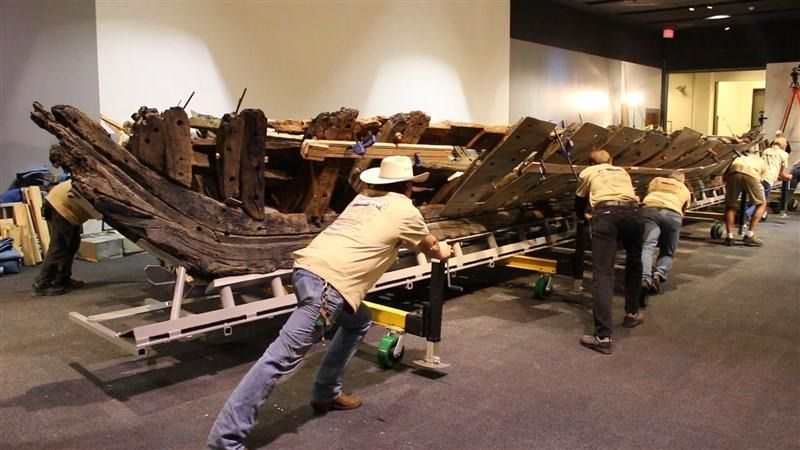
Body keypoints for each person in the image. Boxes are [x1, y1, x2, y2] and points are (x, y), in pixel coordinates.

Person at [207, 156, 453, 450]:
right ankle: (225, 441)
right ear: (409, 186)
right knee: (276, 360)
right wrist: (445, 250)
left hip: (307, 273)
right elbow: (433, 248)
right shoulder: (404, 209)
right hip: (328, 288)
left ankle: (326, 391)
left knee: (358, 320)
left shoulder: (363, 198)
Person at [574, 150, 644, 355]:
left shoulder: (587, 172)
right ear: (611, 161)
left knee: (603, 274)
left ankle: (603, 337)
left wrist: (583, 215)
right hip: (634, 213)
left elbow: (579, 201)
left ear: (589, 162)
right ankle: (632, 313)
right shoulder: (622, 171)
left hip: (606, 215)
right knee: (634, 262)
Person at [32, 179, 100, 296]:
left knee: (73, 244)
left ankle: (62, 278)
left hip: (67, 206)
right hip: (60, 205)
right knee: (59, 246)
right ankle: (43, 283)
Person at [640, 171, 691, 296]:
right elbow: (683, 212)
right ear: (682, 181)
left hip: (650, 210)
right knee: (668, 250)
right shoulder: (685, 189)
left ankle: (644, 279)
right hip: (673, 213)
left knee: (647, 247)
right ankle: (658, 274)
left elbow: (646, 195)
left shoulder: (656, 180)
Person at [722, 145, 768, 246]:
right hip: (752, 174)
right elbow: (761, 179)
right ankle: (749, 234)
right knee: (761, 204)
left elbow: (724, 177)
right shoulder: (761, 161)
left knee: (730, 206)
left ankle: (729, 236)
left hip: (734, 172)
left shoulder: (738, 158)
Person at [744, 137, 792, 221]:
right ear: (784, 145)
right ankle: (746, 215)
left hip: (758, 176)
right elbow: (781, 173)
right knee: (761, 201)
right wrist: (788, 176)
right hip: (768, 178)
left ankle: (745, 214)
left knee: (754, 197)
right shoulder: (784, 154)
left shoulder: (766, 151)